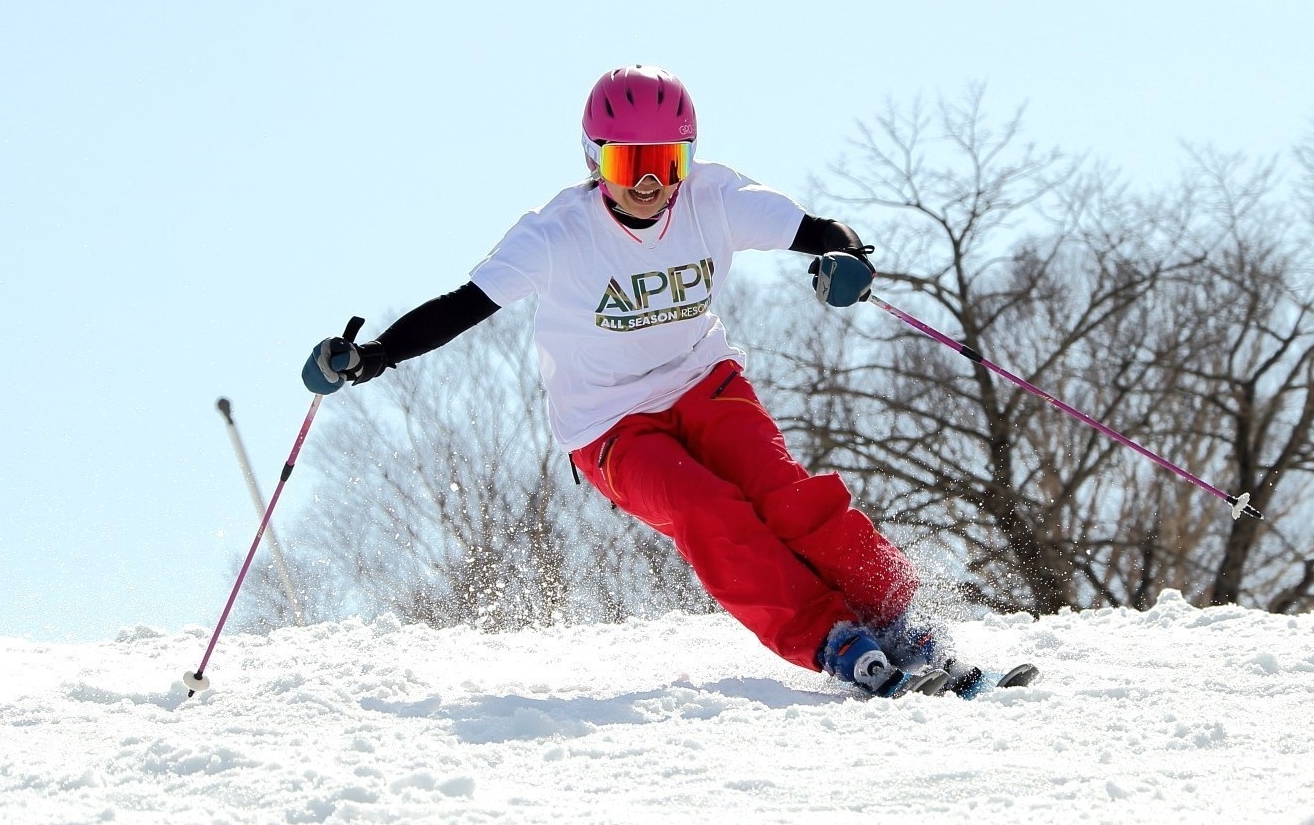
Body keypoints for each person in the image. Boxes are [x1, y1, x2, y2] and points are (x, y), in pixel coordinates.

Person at [304, 65, 1024, 698]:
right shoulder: (555, 235)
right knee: (707, 508)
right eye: (629, 166)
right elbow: (462, 308)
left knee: (785, 492)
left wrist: (845, 264)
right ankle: (834, 638)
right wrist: (371, 357)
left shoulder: (715, 198)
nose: (650, 186)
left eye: (666, 163)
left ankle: (901, 620)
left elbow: (822, 231)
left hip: (704, 380)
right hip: (609, 424)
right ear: (595, 163)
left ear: (689, 158)